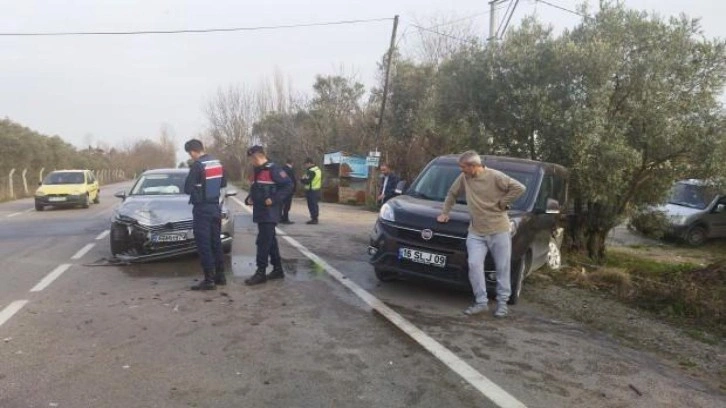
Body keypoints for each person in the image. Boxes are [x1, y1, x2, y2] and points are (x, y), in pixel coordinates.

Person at [437, 151, 525, 318]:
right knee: (474, 264)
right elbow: (452, 193)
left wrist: (503, 202)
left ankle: (502, 304)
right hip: (476, 232)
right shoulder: (464, 178)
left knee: (502, 268)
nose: (461, 170)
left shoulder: (495, 176)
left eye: (463, 167)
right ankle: (481, 302)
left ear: (473, 166)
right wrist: (445, 212)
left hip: (499, 230)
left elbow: (519, 188)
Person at [244, 145, 293, 286]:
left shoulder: (274, 169)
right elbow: (256, 188)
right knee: (270, 241)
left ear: (257, 157)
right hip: (260, 211)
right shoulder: (257, 170)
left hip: (270, 212)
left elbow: (288, 186)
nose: (251, 162)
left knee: (263, 242)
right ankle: (278, 269)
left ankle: (261, 272)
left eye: (251, 159)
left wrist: (274, 198)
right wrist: (250, 198)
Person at [183, 139, 227, 291]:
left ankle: (209, 280)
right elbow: (223, 184)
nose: (191, 156)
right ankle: (220, 276)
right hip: (215, 207)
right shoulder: (217, 163)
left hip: (202, 209)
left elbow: (187, 188)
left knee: (204, 244)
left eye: (190, 154)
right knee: (216, 242)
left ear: (193, 151)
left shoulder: (198, 165)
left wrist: (198, 188)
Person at [300, 158, 322, 225]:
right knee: (314, 205)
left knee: (312, 205)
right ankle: (315, 218)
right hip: (316, 189)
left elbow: (306, 181)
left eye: (306, 164)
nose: (305, 166)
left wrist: (302, 179)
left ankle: (314, 219)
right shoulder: (318, 170)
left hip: (311, 190)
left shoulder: (311, 171)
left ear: (309, 163)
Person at [280, 159, 297, 224]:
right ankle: (285, 219)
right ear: (292, 163)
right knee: (287, 205)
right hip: (289, 190)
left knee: (282, 204)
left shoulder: (282, 169)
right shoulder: (290, 170)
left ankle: (280, 217)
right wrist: (293, 189)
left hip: (282, 189)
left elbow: (282, 178)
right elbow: (292, 181)